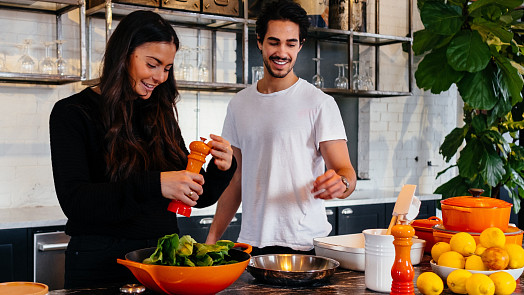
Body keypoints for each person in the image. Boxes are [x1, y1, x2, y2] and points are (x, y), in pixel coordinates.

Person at [49, 10, 236, 288]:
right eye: (153, 64)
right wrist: (156, 185)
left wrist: (221, 169)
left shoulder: (160, 112)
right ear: (124, 55)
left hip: (162, 262)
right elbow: (76, 203)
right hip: (99, 266)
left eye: (167, 68)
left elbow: (193, 197)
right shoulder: (72, 113)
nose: (160, 76)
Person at [205, 0, 356, 256]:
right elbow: (235, 180)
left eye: (290, 43)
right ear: (259, 42)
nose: (282, 52)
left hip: (305, 245)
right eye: (274, 42)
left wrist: (341, 184)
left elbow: (346, 173)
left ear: (301, 45)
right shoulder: (239, 104)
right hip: (252, 245)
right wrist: (211, 240)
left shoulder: (320, 103)